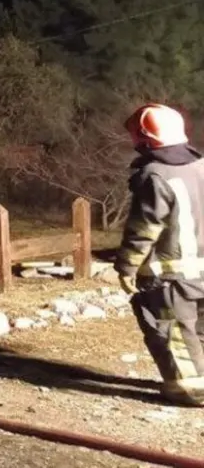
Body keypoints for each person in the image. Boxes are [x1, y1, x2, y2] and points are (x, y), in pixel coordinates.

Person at [115, 103, 204, 406]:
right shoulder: (201, 166)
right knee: (201, 332)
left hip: (172, 277)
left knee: (175, 333)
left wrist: (126, 267)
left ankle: (190, 391)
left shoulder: (154, 176)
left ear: (144, 137)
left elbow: (145, 227)